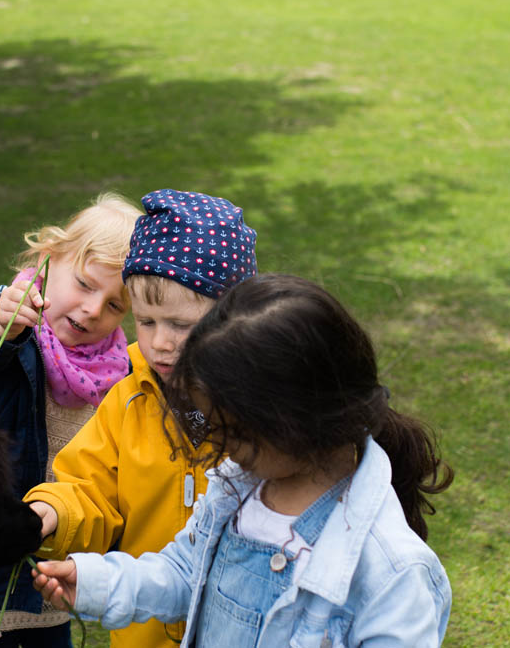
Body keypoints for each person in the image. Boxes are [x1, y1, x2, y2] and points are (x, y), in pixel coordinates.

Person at [33, 273, 455, 647]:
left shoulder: (392, 572)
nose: (220, 446)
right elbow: (184, 572)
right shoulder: (236, 489)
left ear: (299, 419)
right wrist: (98, 583)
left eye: (234, 432)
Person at [22, 188, 258, 647]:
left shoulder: (261, 404)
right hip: (144, 631)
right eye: (146, 321)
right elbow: (89, 489)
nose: (161, 343)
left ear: (234, 318)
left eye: (182, 325)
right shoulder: (128, 394)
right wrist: (48, 514)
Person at [0, 192, 142, 648]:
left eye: (114, 305)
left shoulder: (115, 364)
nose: (92, 309)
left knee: (50, 633)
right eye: (85, 285)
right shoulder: (15, 324)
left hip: (60, 540)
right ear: (48, 260)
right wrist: (0, 323)